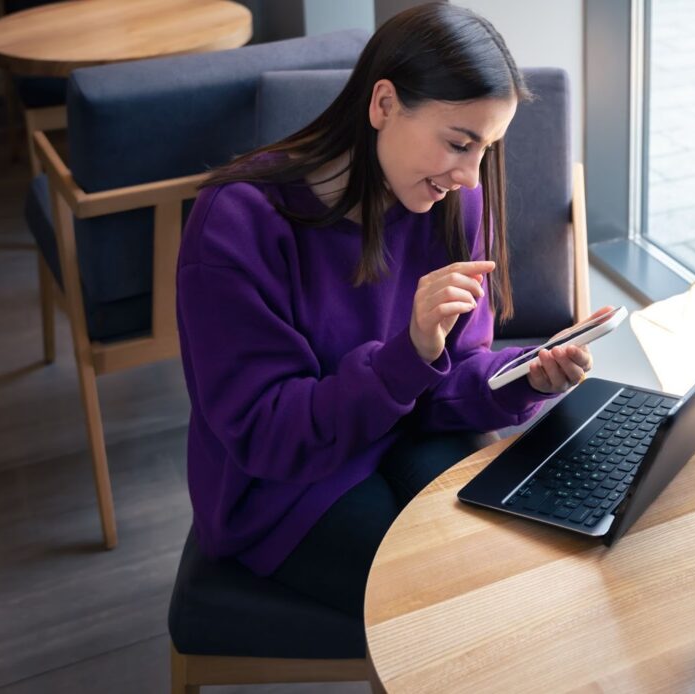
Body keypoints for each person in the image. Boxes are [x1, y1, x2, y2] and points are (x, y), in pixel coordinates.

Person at [176, 3, 602, 618]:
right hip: (283, 490)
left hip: (407, 435)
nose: (470, 175)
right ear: (382, 105)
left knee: (513, 565)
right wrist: (407, 357)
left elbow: (447, 383)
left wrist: (521, 379)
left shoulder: (452, 202)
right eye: (460, 143)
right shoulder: (236, 223)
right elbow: (265, 434)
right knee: (453, 602)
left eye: (485, 149)